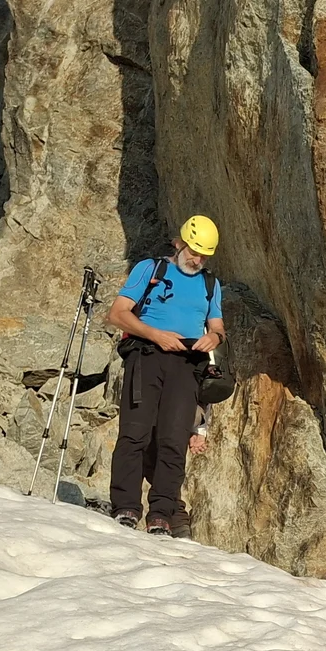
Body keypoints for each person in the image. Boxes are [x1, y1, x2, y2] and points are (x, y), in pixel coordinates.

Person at [106, 216, 225, 536]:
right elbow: (117, 314)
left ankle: (161, 512)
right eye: (193, 251)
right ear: (179, 243)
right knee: (135, 432)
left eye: (204, 255)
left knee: (173, 440)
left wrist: (214, 338)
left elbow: (217, 327)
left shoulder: (211, 284)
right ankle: (126, 506)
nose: (197, 259)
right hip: (147, 354)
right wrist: (156, 335)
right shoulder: (151, 269)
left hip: (187, 362)